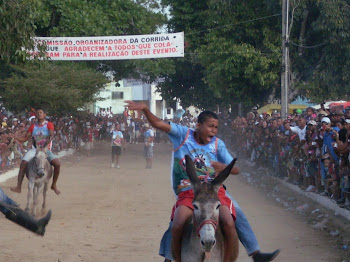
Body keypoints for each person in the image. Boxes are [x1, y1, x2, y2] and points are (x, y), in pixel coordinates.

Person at [125, 101, 279, 262]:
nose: (214, 130)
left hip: (214, 191)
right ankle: (171, 258)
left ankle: (255, 254)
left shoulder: (218, 145)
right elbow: (158, 123)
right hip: (189, 190)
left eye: (216, 127)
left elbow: (236, 169)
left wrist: (223, 166)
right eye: (210, 126)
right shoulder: (182, 134)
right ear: (198, 126)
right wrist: (145, 109)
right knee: (177, 223)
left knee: (230, 220)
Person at [10, 108, 61, 195]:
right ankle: (19, 186)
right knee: (23, 163)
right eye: (37, 113)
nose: (39, 114)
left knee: (57, 164)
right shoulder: (33, 126)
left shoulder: (49, 124)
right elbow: (26, 138)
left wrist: (50, 138)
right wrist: (16, 138)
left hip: (46, 149)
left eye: (41, 112)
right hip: (35, 149)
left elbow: (51, 133)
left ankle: (54, 184)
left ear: (44, 115)